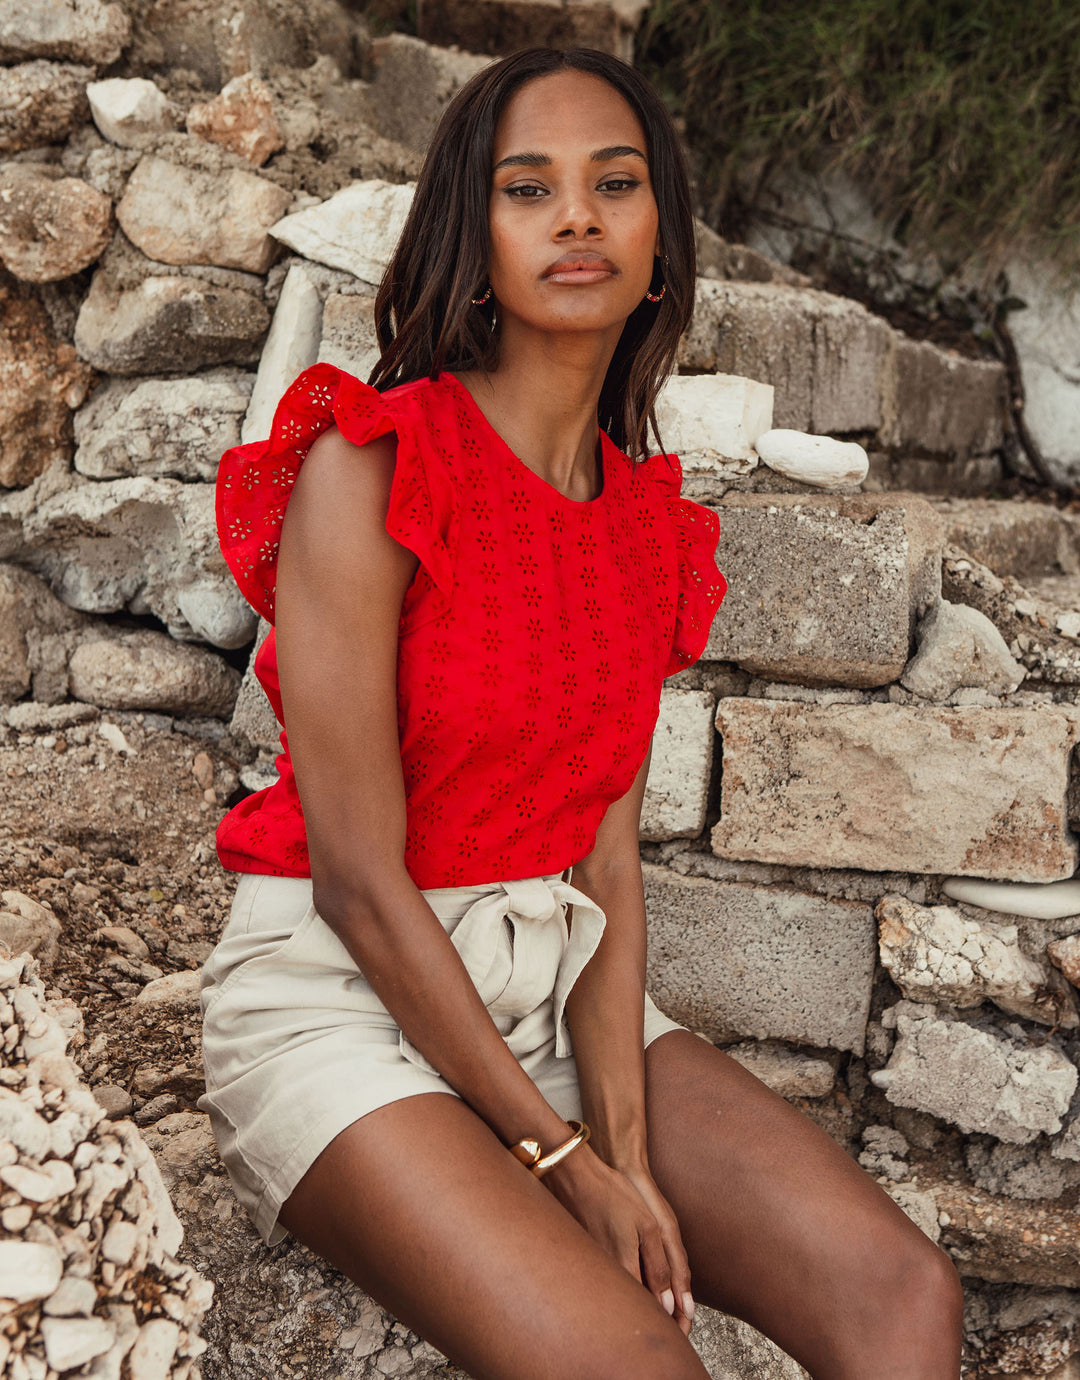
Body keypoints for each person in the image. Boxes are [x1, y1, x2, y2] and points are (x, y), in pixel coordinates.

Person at [200, 46, 964, 1379]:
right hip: (342, 1006)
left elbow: (604, 862)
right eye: (527, 188)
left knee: (902, 1298)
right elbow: (361, 884)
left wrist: (623, 1146)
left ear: (661, 233)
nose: (577, 219)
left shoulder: (644, 528)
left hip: (551, 1003)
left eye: (616, 184)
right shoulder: (371, 466)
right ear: (472, 233)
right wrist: (560, 1164)